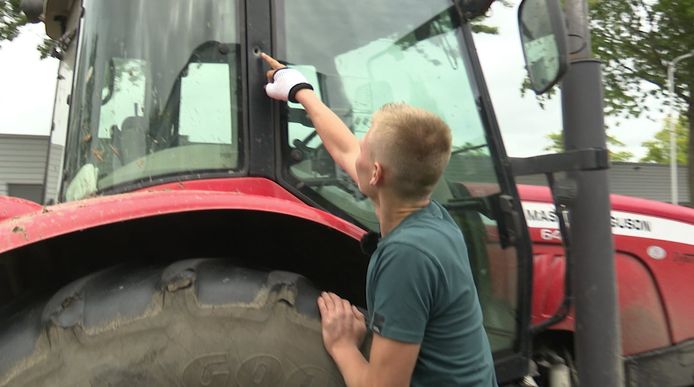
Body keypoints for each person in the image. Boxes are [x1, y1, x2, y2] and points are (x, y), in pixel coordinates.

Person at [262, 53, 497, 387]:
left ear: (376, 174)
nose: (357, 146)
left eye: (366, 143)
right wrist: (301, 90)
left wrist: (343, 346)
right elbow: (345, 149)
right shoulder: (435, 218)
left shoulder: (406, 256)